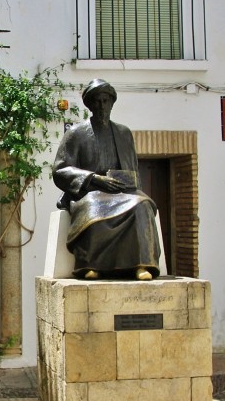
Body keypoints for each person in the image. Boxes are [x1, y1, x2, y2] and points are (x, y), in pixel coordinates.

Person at [53, 79, 163, 280]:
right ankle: (91, 265)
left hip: (121, 192)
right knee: (94, 207)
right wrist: (94, 178)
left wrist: (127, 181)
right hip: (88, 190)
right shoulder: (76, 133)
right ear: (90, 104)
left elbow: (132, 169)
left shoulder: (123, 133)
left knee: (142, 205)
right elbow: (60, 169)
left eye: (105, 100)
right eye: (97, 101)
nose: (102, 105)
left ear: (112, 102)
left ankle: (141, 264)